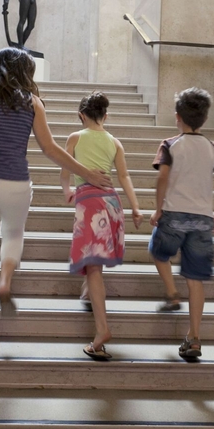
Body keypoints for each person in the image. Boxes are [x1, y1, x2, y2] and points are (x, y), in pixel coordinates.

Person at [0, 48, 112, 361]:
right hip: (16, 184)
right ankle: (7, 279)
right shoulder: (32, 102)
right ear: (26, 72)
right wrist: (87, 172)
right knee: (13, 236)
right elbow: (50, 149)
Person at [149, 87, 214, 361]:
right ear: (204, 119)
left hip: (173, 215)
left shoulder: (170, 144)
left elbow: (162, 178)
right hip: (202, 220)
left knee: (157, 250)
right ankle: (194, 338)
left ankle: (172, 293)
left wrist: (158, 208)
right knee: (196, 280)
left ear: (178, 117)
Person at [60, 92, 143, 361]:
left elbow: (65, 168)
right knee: (94, 261)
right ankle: (88, 292)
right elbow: (124, 175)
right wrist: (136, 206)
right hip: (112, 203)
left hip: (90, 202)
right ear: (106, 116)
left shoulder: (75, 137)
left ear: (81, 115)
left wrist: (66, 189)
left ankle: (101, 331)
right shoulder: (115, 142)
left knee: (93, 266)